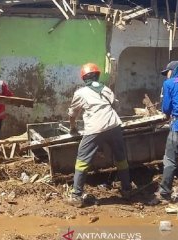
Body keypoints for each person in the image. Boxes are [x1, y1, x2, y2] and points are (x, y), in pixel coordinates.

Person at [67, 63, 131, 208]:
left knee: (82, 161)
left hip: (95, 128)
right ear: (97, 75)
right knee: (121, 158)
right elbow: (115, 106)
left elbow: (72, 113)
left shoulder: (80, 93)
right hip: (114, 125)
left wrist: (72, 127)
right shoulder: (106, 89)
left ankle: (76, 196)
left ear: (83, 77)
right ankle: (127, 190)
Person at [151, 61, 178, 204]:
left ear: (173, 71)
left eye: (167, 73)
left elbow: (166, 109)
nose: (166, 76)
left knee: (170, 161)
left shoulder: (169, 84)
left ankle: (164, 193)